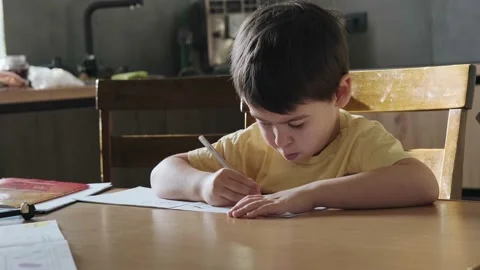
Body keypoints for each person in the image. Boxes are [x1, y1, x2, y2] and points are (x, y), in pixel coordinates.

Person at [151, 1, 439, 218]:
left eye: (296, 124)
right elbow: (162, 174)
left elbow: (422, 184)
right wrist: (203, 185)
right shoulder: (250, 146)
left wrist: (309, 195)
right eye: (264, 121)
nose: (278, 140)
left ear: (340, 93)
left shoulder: (358, 140)